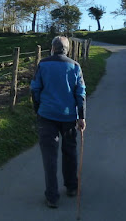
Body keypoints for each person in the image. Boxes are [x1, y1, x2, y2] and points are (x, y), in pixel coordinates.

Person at [30, 35, 86, 208]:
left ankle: (52, 196)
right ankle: (71, 186)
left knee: (50, 156)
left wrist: (38, 109)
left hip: (47, 115)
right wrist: (81, 116)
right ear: (67, 50)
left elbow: (35, 89)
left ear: (52, 48)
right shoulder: (75, 66)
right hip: (69, 116)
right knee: (69, 152)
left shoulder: (43, 64)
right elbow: (80, 93)